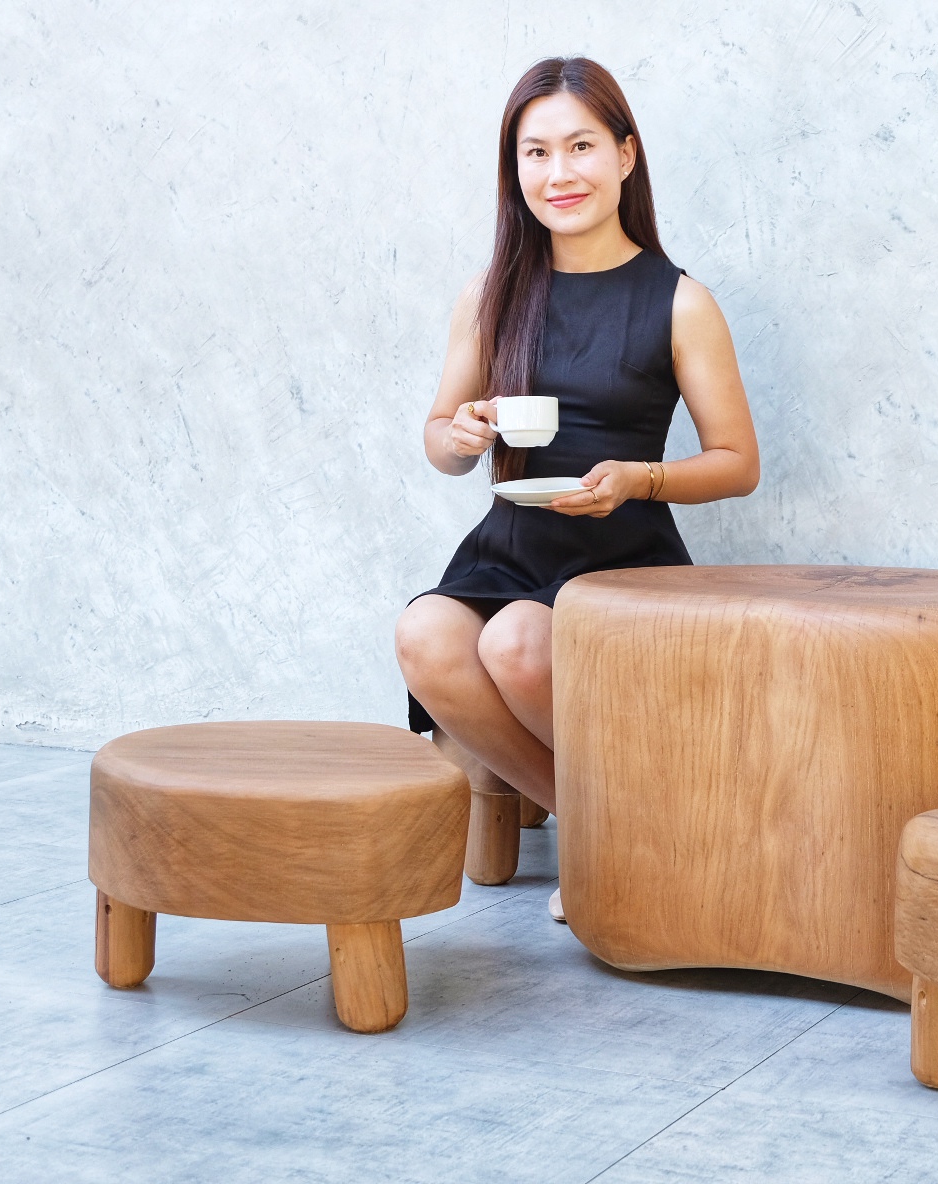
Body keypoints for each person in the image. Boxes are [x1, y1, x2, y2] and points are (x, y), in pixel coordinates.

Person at [395, 58, 760, 921]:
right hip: (511, 546)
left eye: (581, 147)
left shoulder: (679, 301)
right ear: (515, 169)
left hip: (622, 554)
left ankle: (619, 836)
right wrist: (458, 436)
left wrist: (642, 479)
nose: (559, 173)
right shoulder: (491, 295)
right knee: (425, 633)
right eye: (536, 153)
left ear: (625, 156)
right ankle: (613, 830)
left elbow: (737, 462)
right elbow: (440, 441)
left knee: (518, 642)